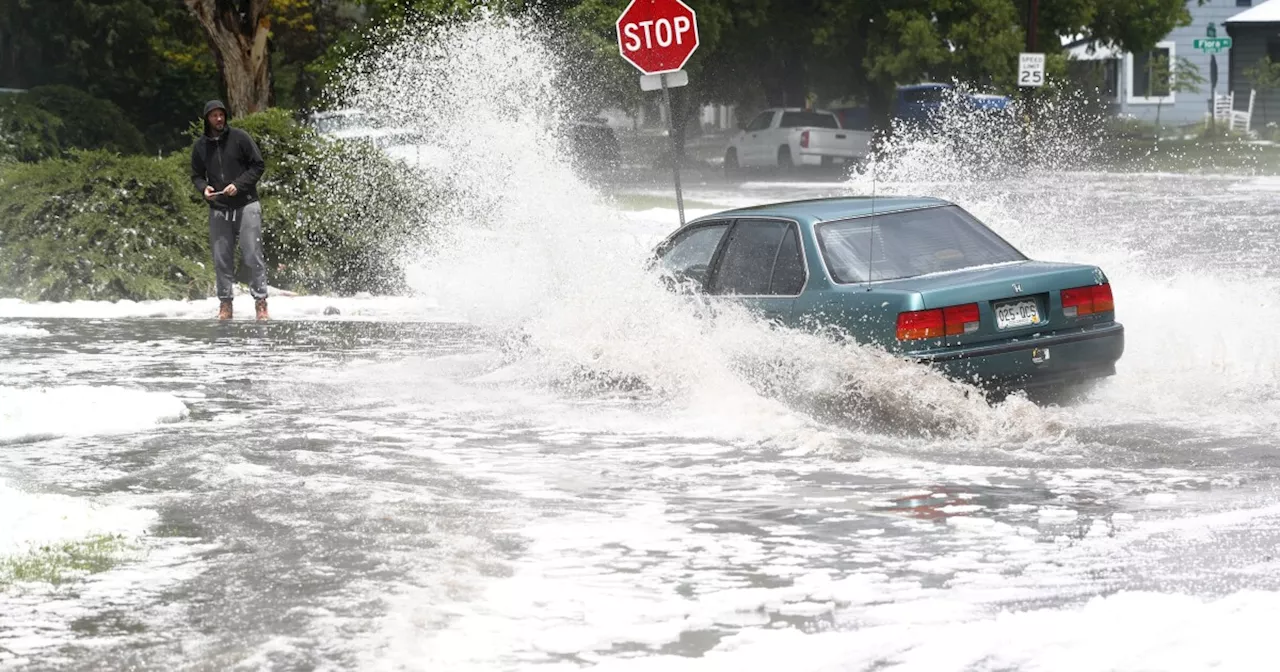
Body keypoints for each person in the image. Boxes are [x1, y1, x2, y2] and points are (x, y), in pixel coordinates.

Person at [190, 99, 269, 321]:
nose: (219, 119)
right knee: (221, 257)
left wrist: (239, 185)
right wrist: (204, 188)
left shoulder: (240, 138)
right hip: (218, 207)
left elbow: (258, 165)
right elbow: (196, 175)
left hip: (246, 203)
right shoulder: (200, 146)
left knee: (252, 254)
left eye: (221, 114)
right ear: (207, 119)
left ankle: (261, 302)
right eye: (214, 115)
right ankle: (225, 304)